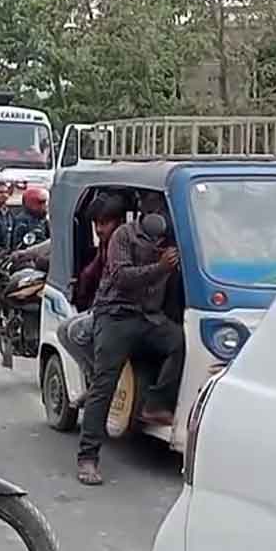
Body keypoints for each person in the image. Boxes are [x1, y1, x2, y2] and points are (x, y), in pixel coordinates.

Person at [76, 193, 184, 486]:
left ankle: (155, 403)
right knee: (104, 385)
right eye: (153, 207)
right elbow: (123, 277)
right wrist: (160, 267)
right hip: (117, 316)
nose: (157, 212)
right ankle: (88, 458)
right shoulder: (123, 236)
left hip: (150, 317)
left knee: (177, 342)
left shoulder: (175, 240)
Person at [57, 195, 126, 404]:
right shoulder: (105, 245)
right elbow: (92, 271)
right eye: (96, 223)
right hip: (102, 306)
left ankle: (102, 383)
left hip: (120, 310)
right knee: (63, 331)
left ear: (118, 222)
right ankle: (94, 379)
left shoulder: (122, 244)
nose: (99, 229)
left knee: (77, 332)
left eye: (104, 223)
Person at [11, 187, 50, 251]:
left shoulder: (42, 220)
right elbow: (20, 246)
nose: (45, 206)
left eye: (45, 202)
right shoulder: (23, 221)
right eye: (41, 203)